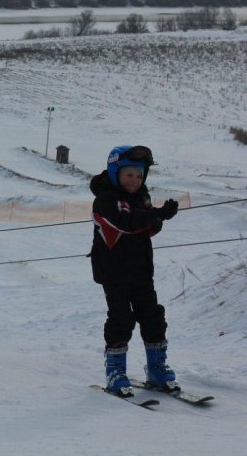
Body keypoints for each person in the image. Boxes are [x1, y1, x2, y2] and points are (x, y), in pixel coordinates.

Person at [90, 145, 180, 396]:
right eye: (129, 174)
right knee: (121, 319)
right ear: (114, 172)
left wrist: (160, 217)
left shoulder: (142, 196)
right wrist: (155, 215)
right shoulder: (106, 199)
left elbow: (147, 229)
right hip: (113, 271)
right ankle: (115, 371)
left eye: (139, 175)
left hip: (141, 269)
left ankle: (156, 369)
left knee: (152, 315)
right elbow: (126, 224)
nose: (135, 180)